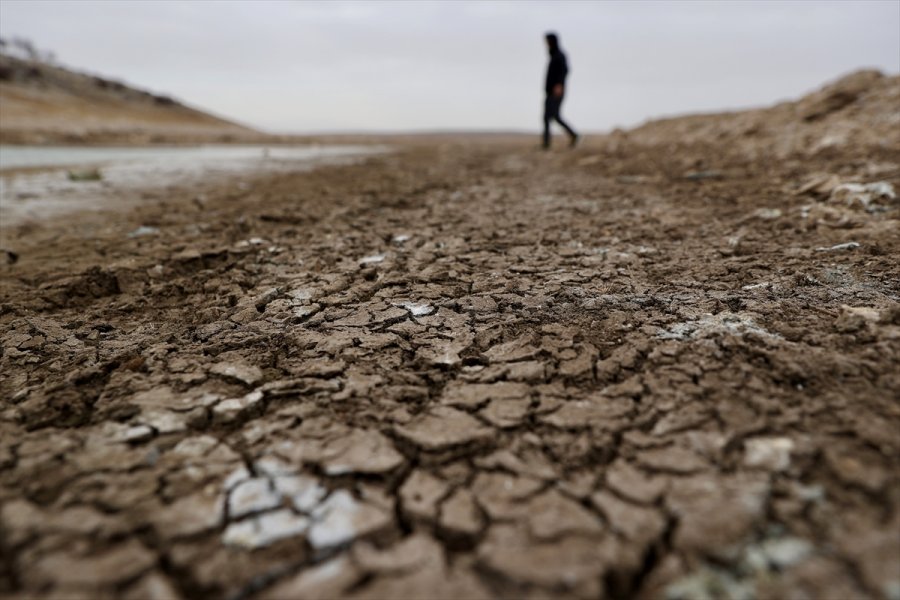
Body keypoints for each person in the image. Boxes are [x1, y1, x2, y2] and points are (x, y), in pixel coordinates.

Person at [543, 32, 578, 149]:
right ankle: (546, 143)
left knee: (553, 116)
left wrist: (559, 85)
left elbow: (565, 71)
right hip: (550, 91)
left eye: (548, 41)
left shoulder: (559, 55)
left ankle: (573, 135)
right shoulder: (553, 55)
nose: (546, 43)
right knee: (548, 117)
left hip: (556, 91)